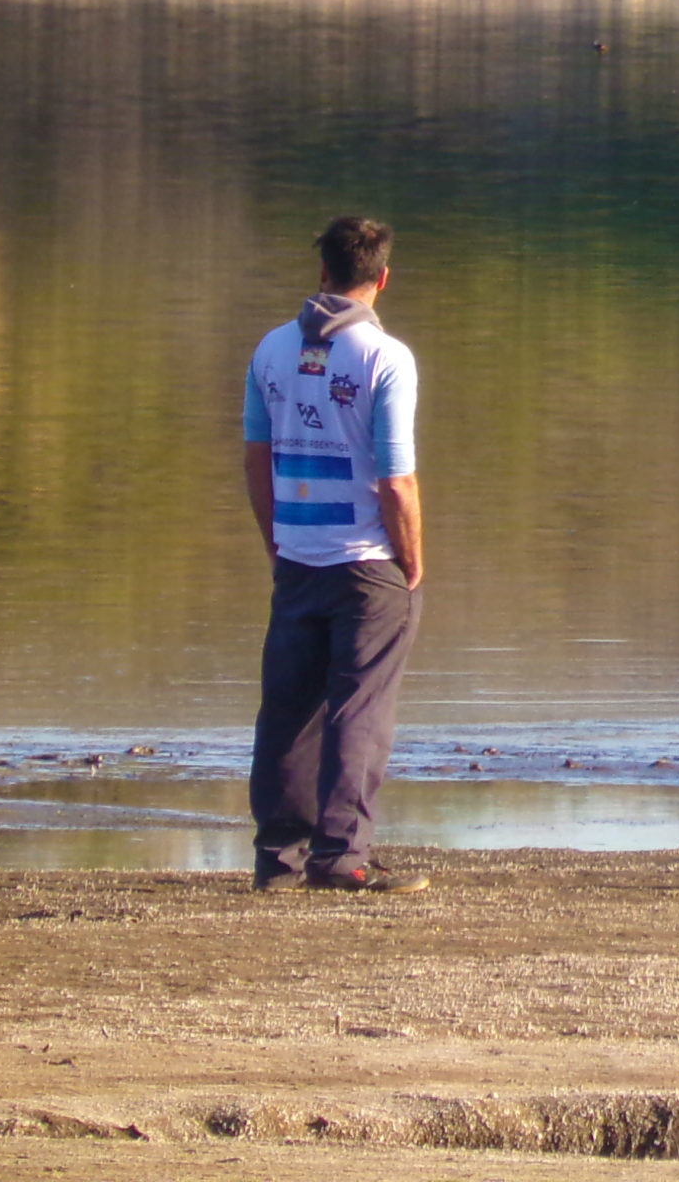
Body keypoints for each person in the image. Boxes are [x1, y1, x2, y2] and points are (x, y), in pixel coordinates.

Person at [242, 216, 428, 894]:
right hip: (366, 561)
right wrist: (411, 561)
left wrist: (275, 540)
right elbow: (396, 479)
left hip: (297, 555)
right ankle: (341, 855)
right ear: (382, 278)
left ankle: (277, 861)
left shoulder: (269, 349)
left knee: (288, 709)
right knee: (359, 710)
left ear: (322, 273)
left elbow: (256, 460)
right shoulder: (386, 358)